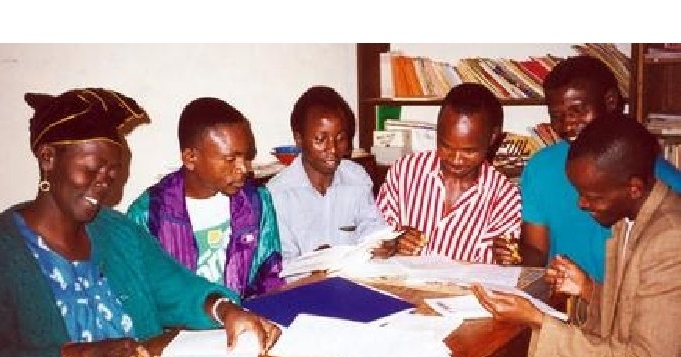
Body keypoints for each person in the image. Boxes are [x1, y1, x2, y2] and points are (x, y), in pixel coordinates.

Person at [0, 88, 281, 357]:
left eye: (112, 173)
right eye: (91, 168)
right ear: (48, 158)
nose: (104, 185)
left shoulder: (116, 231)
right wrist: (88, 355)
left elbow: (177, 287)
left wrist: (226, 310)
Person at [430, 115, 681, 357]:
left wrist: (538, 321)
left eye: (592, 195)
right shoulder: (634, 216)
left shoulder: (670, 239)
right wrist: (590, 290)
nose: (581, 204)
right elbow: (635, 319)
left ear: (634, 187)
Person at [495, 55, 681, 281]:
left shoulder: (659, 180)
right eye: (557, 115)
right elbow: (537, 254)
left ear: (610, 102)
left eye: (578, 111)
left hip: (627, 309)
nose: (567, 124)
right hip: (559, 303)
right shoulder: (541, 168)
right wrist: (516, 255)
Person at [127, 97, 283, 299]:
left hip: (245, 323)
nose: (243, 168)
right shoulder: (148, 215)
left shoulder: (256, 202)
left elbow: (270, 279)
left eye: (245, 157)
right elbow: (139, 295)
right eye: (230, 159)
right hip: (179, 329)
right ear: (191, 158)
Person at [376, 83, 520, 262]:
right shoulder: (405, 171)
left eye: (469, 151)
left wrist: (506, 257)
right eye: (446, 146)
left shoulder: (504, 196)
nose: (456, 160)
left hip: (464, 289)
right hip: (399, 285)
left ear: (492, 138)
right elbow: (374, 238)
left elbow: (495, 268)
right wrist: (393, 242)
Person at [266, 85, 391, 260]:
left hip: (354, 278)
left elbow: (372, 227)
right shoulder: (277, 194)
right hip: (305, 286)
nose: (332, 148)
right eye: (320, 139)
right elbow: (279, 266)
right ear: (299, 139)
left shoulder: (356, 177)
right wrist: (312, 263)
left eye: (340, 138)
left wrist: (381, 243)